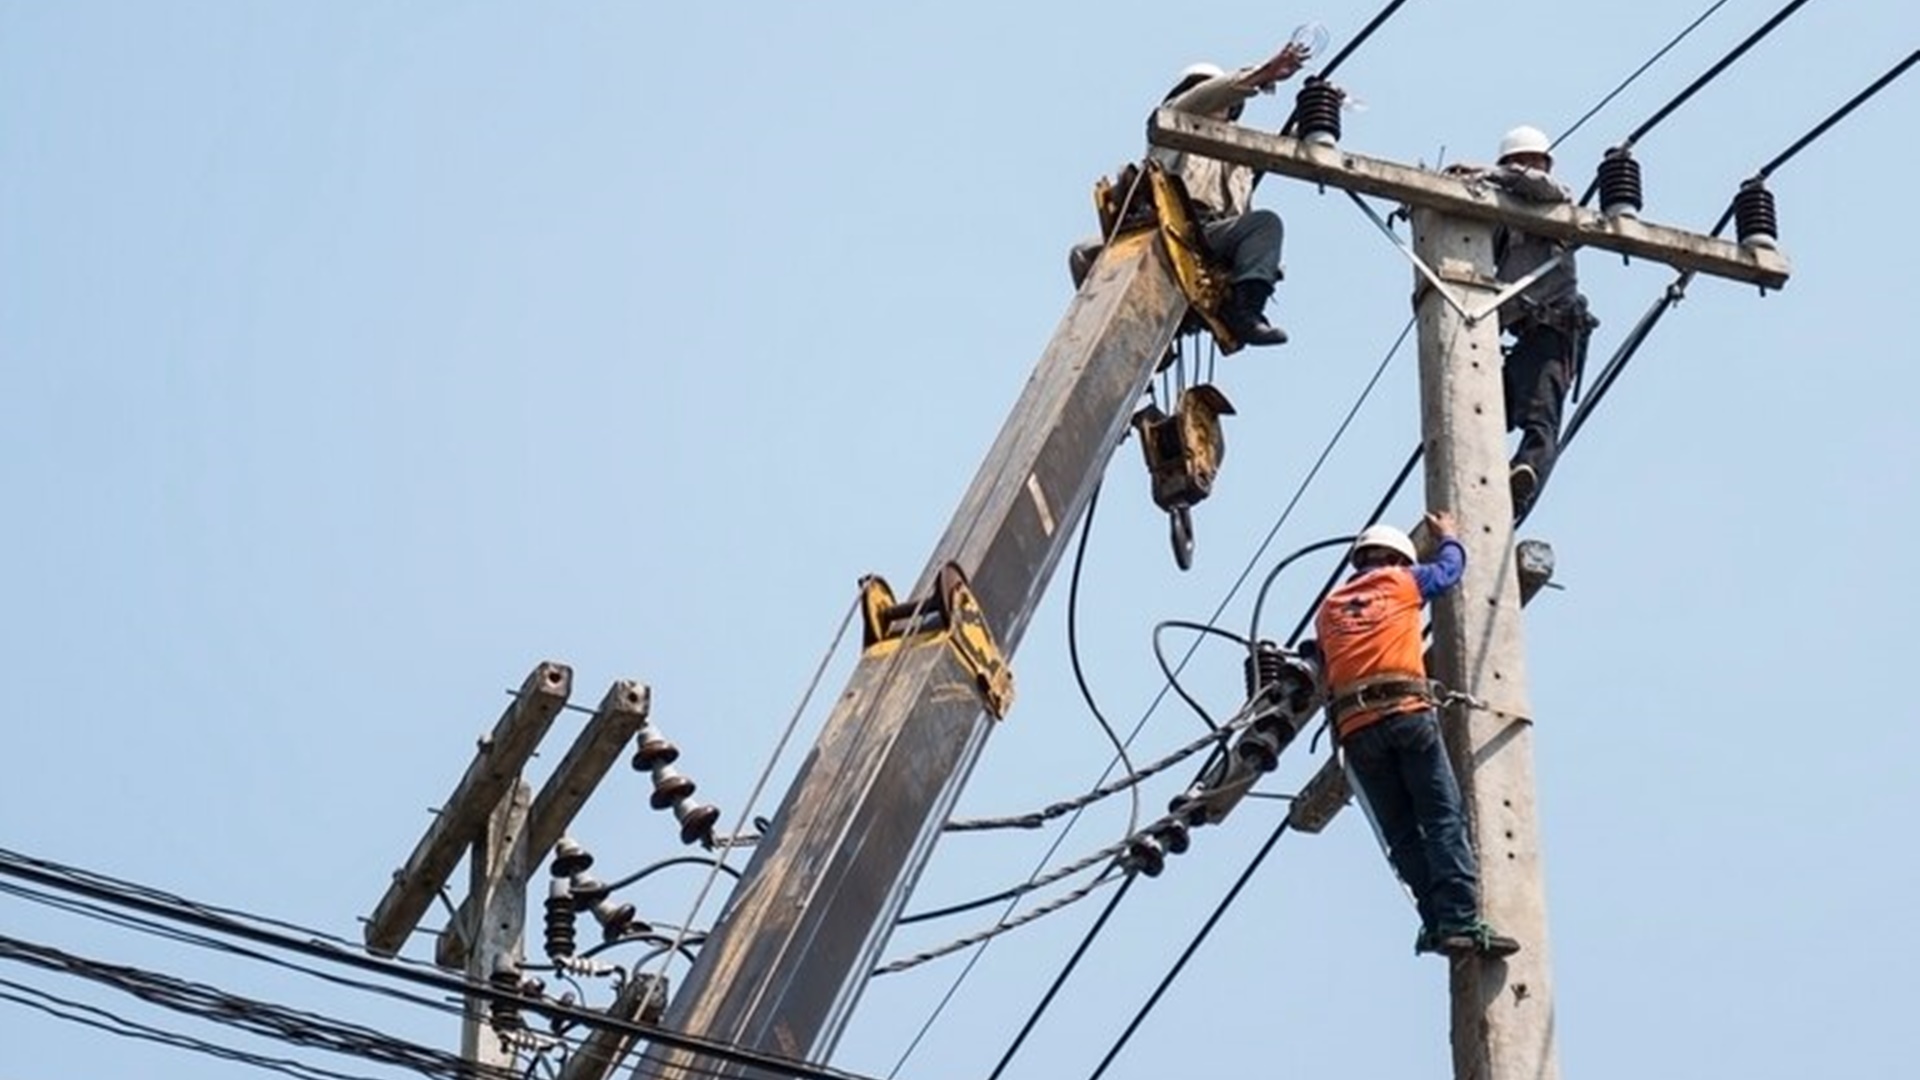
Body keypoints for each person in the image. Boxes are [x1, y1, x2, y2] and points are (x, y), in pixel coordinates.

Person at [1313, 514, 1519, 959]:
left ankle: (1435, 921)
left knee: (1404, 834)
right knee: (1442, 817)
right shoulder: (1401, 582)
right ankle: (1460, 918)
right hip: (1405, 714)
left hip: (1356, 731)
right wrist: (1449, 536)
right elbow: (1449, 571)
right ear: (1398, 559)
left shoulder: (1328, 609)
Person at [1070, 41, 1310, 347]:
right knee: (1083, 253)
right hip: (1167, 229)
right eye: (1200, 89)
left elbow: (1288, 147)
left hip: (1214, 238)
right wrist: (1263, 73)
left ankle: (1245, 313)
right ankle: (1120, 332)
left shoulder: (1242, 148)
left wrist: (1319, 110)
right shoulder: (1173, 119)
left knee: (1265, 224)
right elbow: (1205, 96)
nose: (1212, 97)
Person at [1448, 126, 1596, 520]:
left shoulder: (1556, 200)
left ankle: (1522, 483)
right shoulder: (1503, 219)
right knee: (1478, 409)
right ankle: (1484, 485)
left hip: (1554, 333)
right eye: (1517, 161)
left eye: (1530, 161)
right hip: (1522, 337)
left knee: (1540, 419)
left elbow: (1539, 186)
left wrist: (1485, 173)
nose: (1524, 167)